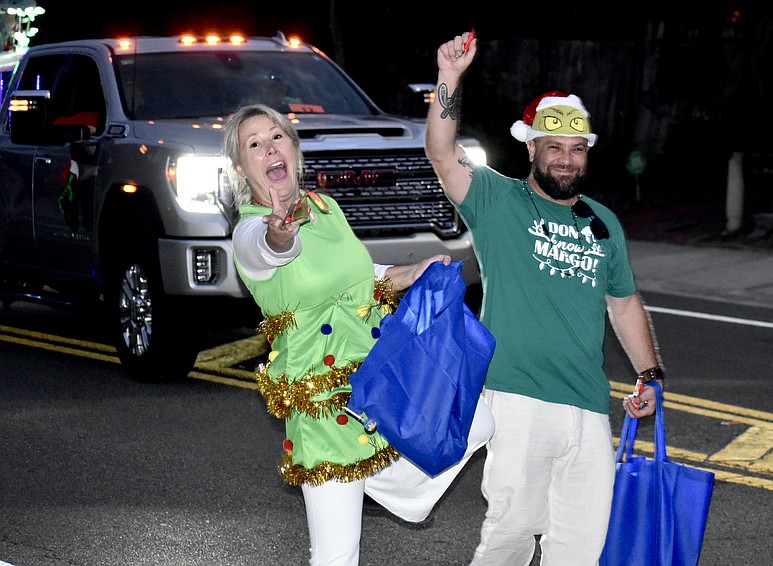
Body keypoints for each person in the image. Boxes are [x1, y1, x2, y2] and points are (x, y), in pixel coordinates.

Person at [424, 32, 666, 565]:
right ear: (530, 148)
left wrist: (649, 374)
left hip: (587, 405)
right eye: (553, 147)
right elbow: (441, 153)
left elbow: (623, 303)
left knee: (581, 549)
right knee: (509, 536)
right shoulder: (497, 200)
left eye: (576, 150)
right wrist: (450, 78)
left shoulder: (603, 223)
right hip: (517, 399)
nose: (565, 159)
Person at [222, 103, 494, 566]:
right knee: (336, 556)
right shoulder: (250, 231)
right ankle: (388, 486)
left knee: (478, 419)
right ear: (242, 169)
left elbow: (358, 275)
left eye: (277, 137)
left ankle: (399, 489)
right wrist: (279, 232)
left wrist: (411, 271)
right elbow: (270, 250)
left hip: (372, 380)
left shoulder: (326, 208)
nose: (270, 148)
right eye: (255, 144)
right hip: (324, 407)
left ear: (293, 147)